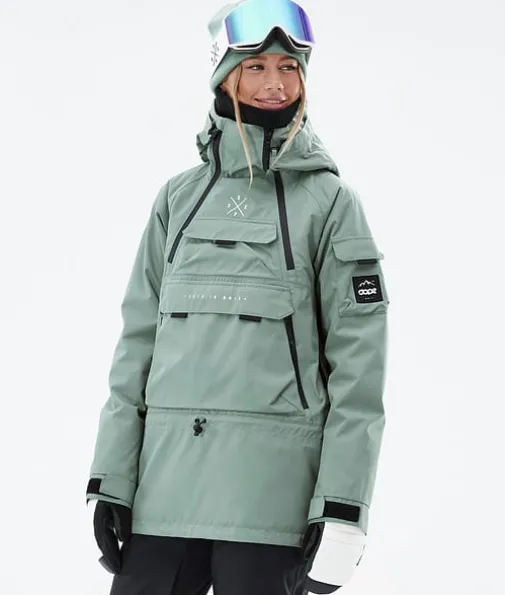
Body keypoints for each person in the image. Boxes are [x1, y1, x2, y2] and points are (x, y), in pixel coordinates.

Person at [85, 1, 389, 594]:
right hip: (163, 497)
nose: (275, 83)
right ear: (225, 76)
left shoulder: (331, 204)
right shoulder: (176, 199)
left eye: (289, 67)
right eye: (256, 67)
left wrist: (343, 509)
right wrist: (110, 479)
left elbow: (359, 371)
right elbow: (137, 348)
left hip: (271, 505)